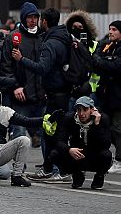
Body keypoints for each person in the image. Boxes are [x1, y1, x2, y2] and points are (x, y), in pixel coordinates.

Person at [12, 7, 72, 182]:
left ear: (44, 21)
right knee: (50, 132)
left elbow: (42, 68)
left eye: (39, 18)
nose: (36, 21)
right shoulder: (64, 36)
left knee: (54, 133)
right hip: (60, 91)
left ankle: (59, 170)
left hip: (56, 94)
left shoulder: (51, 43)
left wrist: (21, 59)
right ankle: (49, 168)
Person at [1, 2, 45, 146]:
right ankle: (19, 167)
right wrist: (15, 86)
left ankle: (49, 167)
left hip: (40, 96)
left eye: (35, 17)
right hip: (21, 96)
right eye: (29, 17)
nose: (33, 20)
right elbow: (6, 66)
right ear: (24, 18)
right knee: (19, 135)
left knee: (46, 135)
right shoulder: (13, 38)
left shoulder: (42, 37)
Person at [50, 96, 112, 190]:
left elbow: (106, 144)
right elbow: (59, 141)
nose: (81, 113)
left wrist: (96, 124)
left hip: (95, 155)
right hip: (77, 154)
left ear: (92, 109)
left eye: (85, 110)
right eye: (79, 110)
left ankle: (99, 176)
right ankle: (77, 174)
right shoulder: (70, 118)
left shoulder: (103, 119)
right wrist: (69, 149)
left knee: (107, 155)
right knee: (55, 154)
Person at [91, 20, 121, 173]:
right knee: (107, 127)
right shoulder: (109, 46)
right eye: (110, 29)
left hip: (118, 97)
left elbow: (114, 67)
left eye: (114, 29)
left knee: (118, 128)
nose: (111, 32)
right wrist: (101, 59)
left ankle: (120, 160)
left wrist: (101, 61)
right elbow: (97, 61)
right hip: (106, 95)